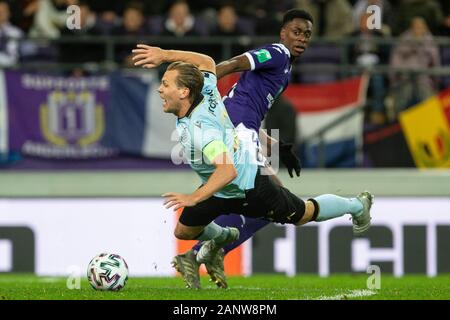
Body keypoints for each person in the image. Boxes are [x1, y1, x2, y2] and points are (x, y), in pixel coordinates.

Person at [132, 44, 374, 290]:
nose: (160, 90)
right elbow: (205, 60)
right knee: (184, 231)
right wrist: (164, 55)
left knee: (304, 213)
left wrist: (194, 197)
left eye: (165, 84)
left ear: (183, 92)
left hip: (249, 189)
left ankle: (357, 205)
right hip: (220, 187)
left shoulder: (201, 132)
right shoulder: (205, 90)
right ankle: (225, 237)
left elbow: (227, 171)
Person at [168, 9, 312, 289]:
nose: (302, 38)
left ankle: (204, 250)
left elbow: (246, 110)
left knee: (259, 198)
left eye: (307, 34)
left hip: (240, 129)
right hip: (236, 133)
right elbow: (234, 64)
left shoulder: (285, 70)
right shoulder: (278, 52)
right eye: (296, 31)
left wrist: (277, 146)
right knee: (269, 197)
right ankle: (205, 251)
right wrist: (202, 89)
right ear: (283, 33)